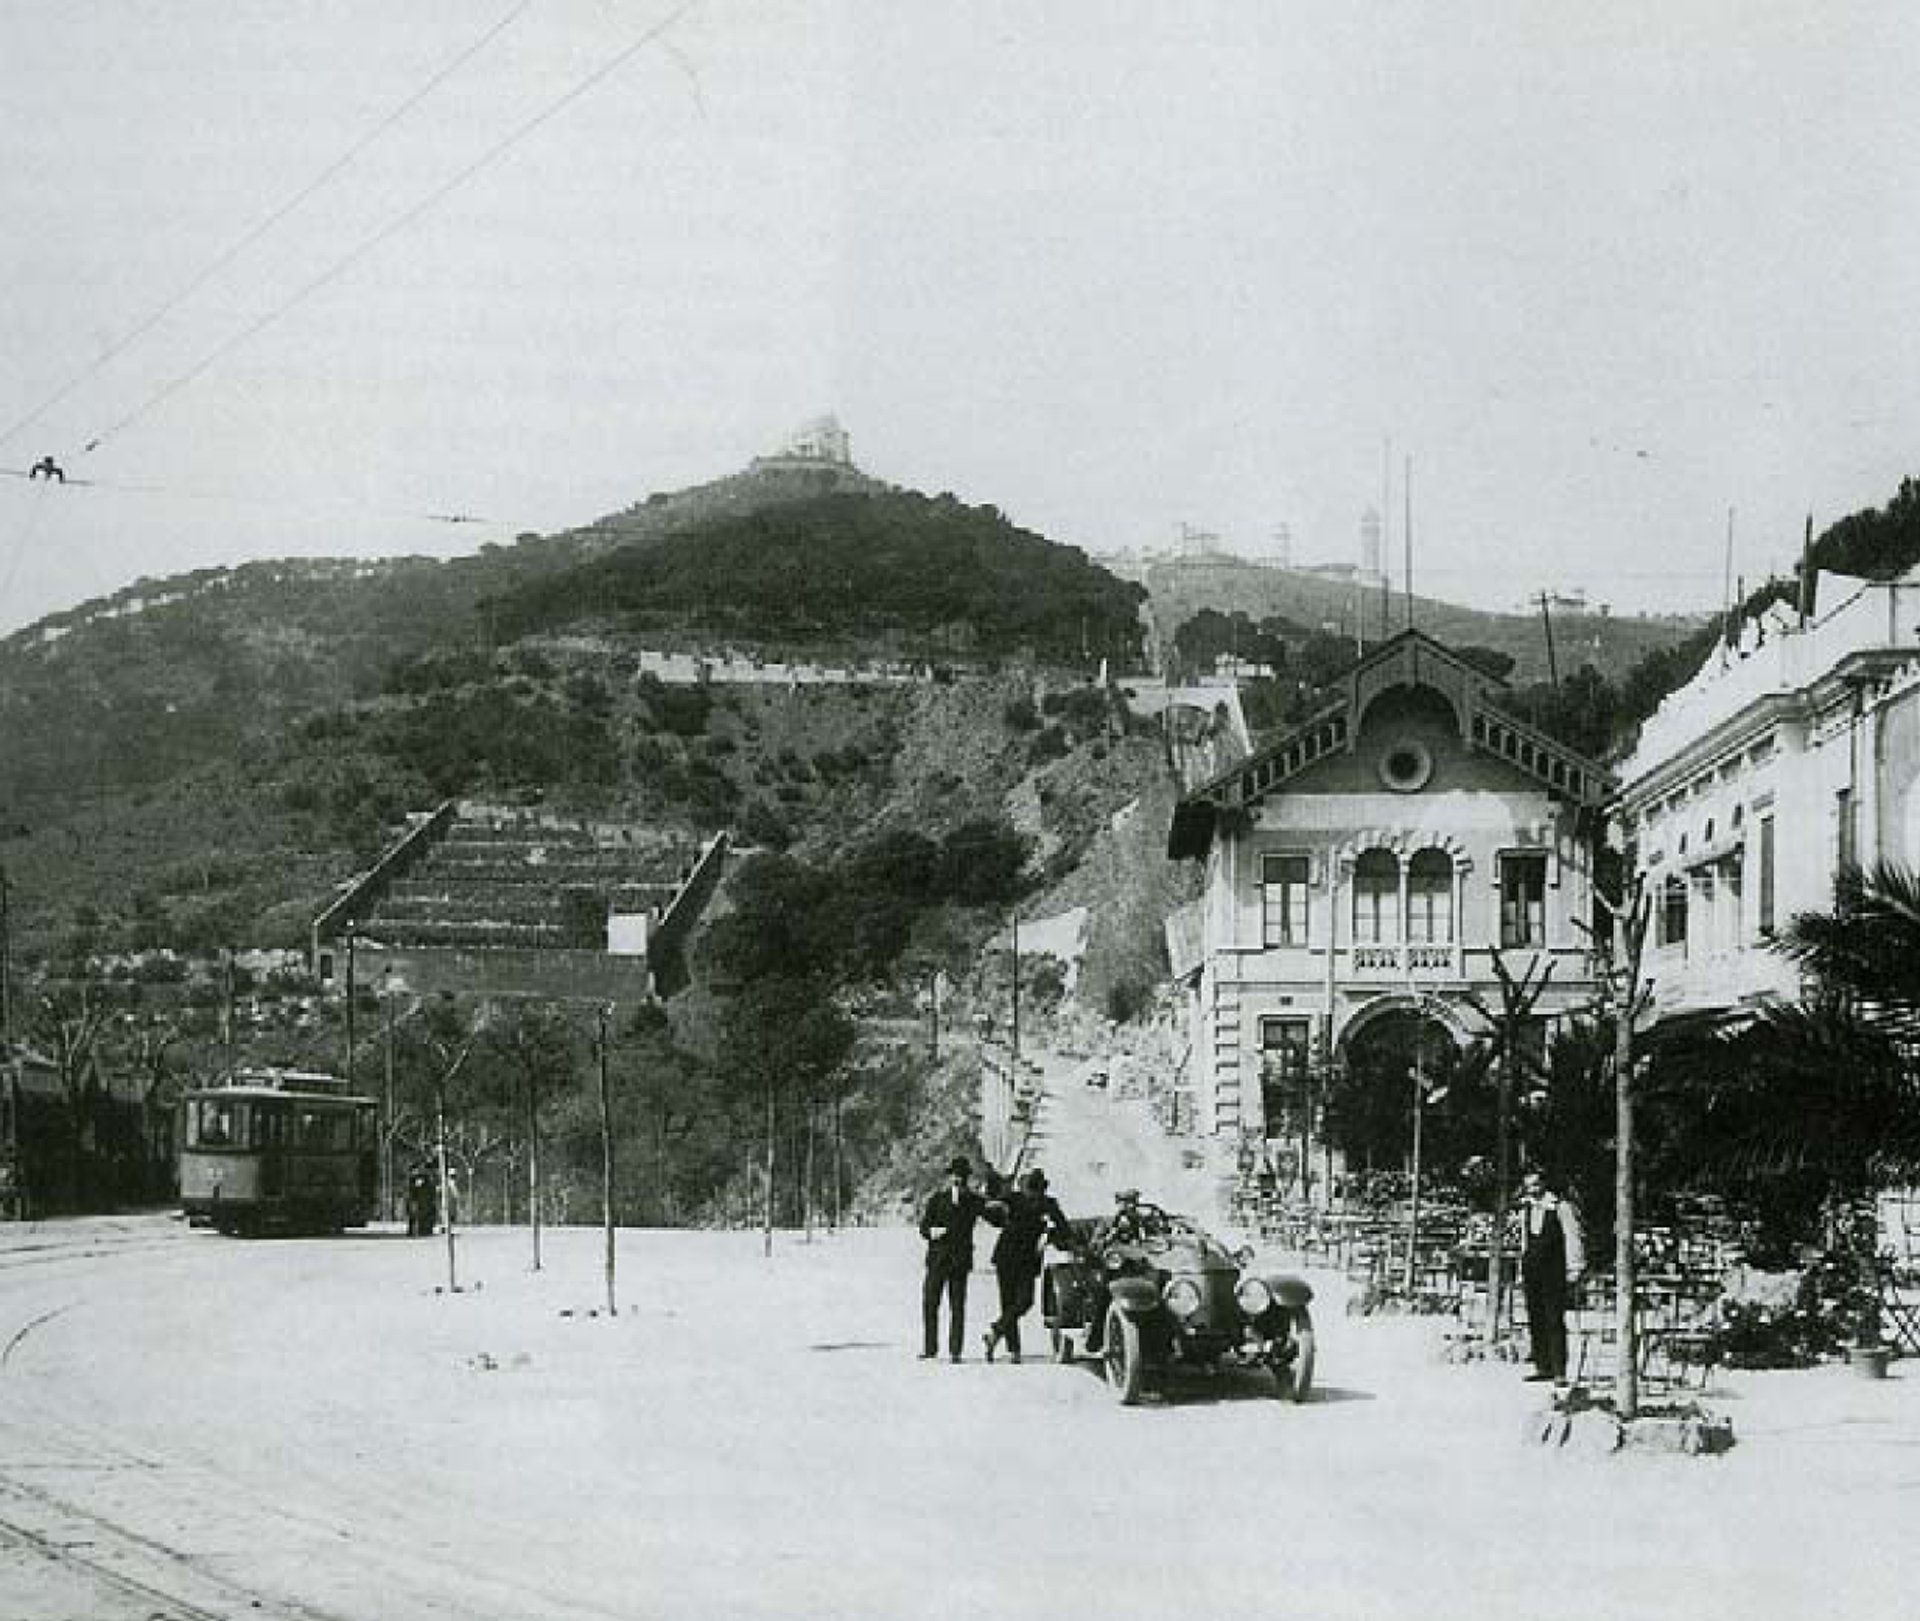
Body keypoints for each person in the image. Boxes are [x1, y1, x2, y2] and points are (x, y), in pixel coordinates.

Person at [983, 1167, 1073, 1364]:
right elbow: (990, 1212)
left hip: (1025, 1260)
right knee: (1009, 1302)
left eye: (1037, 1190)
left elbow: (1064, 1231)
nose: (1033, 1194)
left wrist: (1052, 1236)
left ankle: (995, 1332)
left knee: (1024, 1301)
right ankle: (1013, 1350)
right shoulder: (1013, 1199)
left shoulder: (1048, 1205)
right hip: (1006, 1257)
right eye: (1031, 1189)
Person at [918, 1155, 989, 1362]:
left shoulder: (974, 1201)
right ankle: (930, 1348)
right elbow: (923, 1227)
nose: (958, 1180)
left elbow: (994, 1217)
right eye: (955, 1177)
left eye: (962, 1177)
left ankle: (955, 1351)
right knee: (930, 1303)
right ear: (950, 1178)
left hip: (960, 1261)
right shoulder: (937, 1200)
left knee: (957, 1307)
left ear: (967, 1179)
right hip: (937, 1260)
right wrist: (932, 1232)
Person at [1518, 1170, 1584, 1382]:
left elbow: (1572, 1238)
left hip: (1553, 1270)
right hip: (1532, 1269)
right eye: (1529, 1186)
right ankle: (1542, 1366)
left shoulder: (1560, 1207)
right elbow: (1524, 1240)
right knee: (1535, 1316)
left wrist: (1574, 1267)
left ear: (1544, 1184)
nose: (1533, 1190)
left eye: (1536, 1185)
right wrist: (1522, 1268)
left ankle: (1559, 1370)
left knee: (1554, 1317)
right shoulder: (1526, 1208)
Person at [406, 1166, 439, 1238]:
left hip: (423, 1201)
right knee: (415, 1216)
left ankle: (424, 1230)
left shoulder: (426, 1179)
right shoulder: (416, 1179)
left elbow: (431, 1191)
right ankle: (415, 1231)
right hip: (418, 1200)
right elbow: (413, 1190)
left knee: (424, 1216)